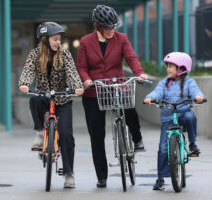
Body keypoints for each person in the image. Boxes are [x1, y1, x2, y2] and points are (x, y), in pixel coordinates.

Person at [77, 5, 149, 188]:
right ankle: (102, 176)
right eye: (107, 27)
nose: (111, 30)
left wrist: (139, 73)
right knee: (96, 135)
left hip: (117, 86)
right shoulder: (85, 42)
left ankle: (137, 138)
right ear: (97, 26)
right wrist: (86, 80)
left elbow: (131, 58)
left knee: (130, 109)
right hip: (94, 91)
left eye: (113, 26)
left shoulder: (122, 39)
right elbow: (82, 67)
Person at [19, 22, 84, 188]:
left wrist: (77, 86)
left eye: (59, 39)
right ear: (45, 39)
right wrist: (24, 83)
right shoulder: (35, 54)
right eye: (55, 39)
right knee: (34, 100)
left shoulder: (65, 55)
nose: (58, 42)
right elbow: (27, 71)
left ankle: (69, 173)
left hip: (62, 99)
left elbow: (72, 72)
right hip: (43, 96)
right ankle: (41, 133)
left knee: (67, 136)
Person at [144, 52, 205, 190]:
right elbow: (157, 92)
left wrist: (199, 97)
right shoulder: (163, 83)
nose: (168, 69)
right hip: (168, 118)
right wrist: (150, 97)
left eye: (171, 66)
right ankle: (160, 178)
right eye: (168, 66)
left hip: (183, 114)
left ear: (182, 68)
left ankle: (192, 143)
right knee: (163, 148)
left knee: (190, 116)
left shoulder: (189, 82)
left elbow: (196, 91)